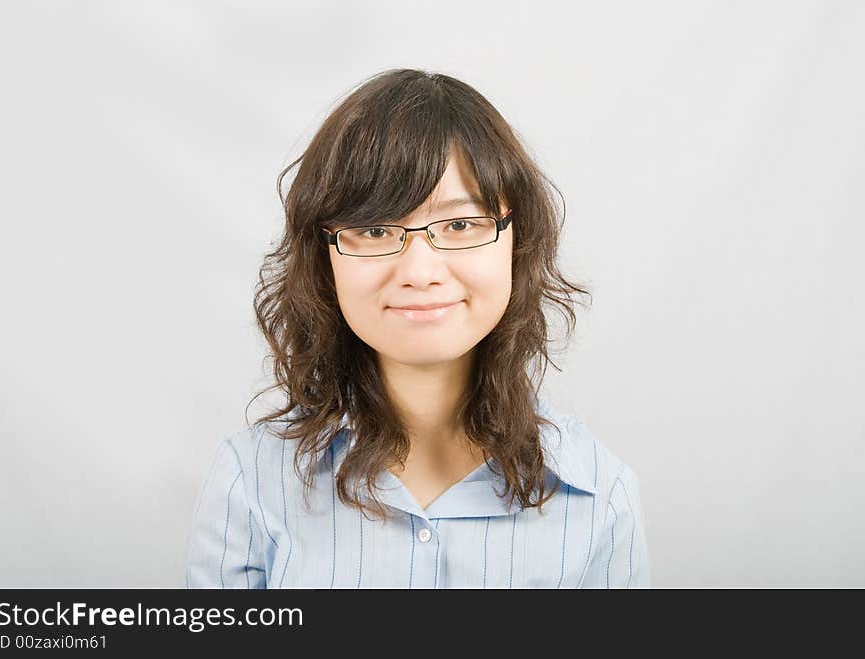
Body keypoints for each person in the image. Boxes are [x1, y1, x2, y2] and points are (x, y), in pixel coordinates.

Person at [185, 68, 650, 588]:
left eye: (459, 224)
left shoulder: (599, 493)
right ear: (324, 257)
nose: (420, 273)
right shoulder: (249, 482)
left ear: (517, 243)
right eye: (377, 229)